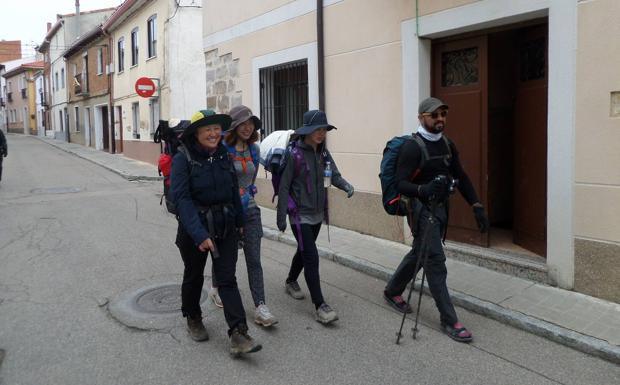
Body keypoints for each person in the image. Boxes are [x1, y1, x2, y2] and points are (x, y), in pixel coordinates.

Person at [382, 97, 489, 343]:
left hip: (440, 208)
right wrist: (424, 189)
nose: (440, 119)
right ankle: (449, 320)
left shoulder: (447, 145)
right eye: (434, 115)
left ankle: (392, 290)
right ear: (422, 118)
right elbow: (400, 183)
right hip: (420, 209)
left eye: (443, 114)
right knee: (435, 260)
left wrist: (476, 205)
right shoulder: (412, 147)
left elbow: (460, 175)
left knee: (420, 252)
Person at [171, 109, 261, 355]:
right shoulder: (183, 158)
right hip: (194, 229)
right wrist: (199, 235)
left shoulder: (222, 154)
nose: (213, 134)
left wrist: (240, 221)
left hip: (225, 225)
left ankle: (238, 332)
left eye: (216, 129)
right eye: (207, 129)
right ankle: (193, 316)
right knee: (194, 275)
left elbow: (234, 188)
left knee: (227, 278)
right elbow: (181, 199)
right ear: (196, 133)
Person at [277, 110, 354, 324]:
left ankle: (291, 280)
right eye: (318, 130)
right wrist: (281, 217)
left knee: (304, 252)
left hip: (318, 213)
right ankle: (320, 305)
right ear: (307, 131)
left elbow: (334, 175)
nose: (322, 134)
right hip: (299, 215)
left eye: (324, 130)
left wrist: (345, 185)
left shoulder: (323, 154)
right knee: (311, 255)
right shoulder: (293, 154)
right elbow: (284, 187)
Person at [209, 105, 277, 327]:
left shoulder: (255, 150)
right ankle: (216, 287)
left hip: (250, 211)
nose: (247, 128)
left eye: (251, 124)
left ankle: (260, 306)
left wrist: (248, 197)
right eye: (243, 124)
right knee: (227, 256)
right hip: (228, 212)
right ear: (234, 126)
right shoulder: (223, 150)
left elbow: (251, 180)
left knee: (254, 259)